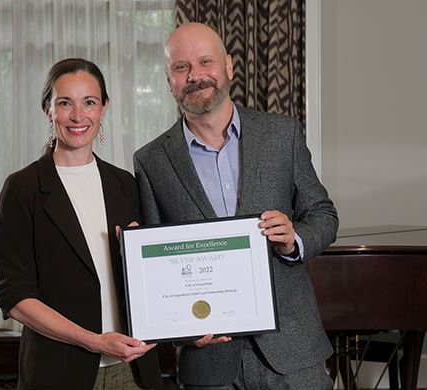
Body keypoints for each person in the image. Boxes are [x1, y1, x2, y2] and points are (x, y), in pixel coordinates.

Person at [133, 23, 339, 389]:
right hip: (208, 361)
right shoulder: (151, 161)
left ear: (228, 66)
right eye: (181, 68)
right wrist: (181, 330)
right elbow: (155, 273)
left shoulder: (281, 134)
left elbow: (323, 214)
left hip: (292, 352)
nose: (195, 76)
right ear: (169, 80)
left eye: (205, 62)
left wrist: (295, 241)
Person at [0, 58, 161, 390]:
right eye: (65, 103)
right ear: (48, 110)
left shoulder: (125, 184)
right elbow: (15, 297)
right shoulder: (22, 188)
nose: (78, 116)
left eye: (89, 103)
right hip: (58, 372)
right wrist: (94, 341)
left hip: (133, 370)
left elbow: (149, 278)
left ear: (104, 108)